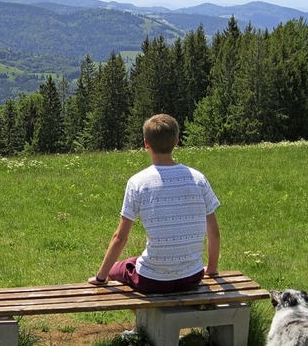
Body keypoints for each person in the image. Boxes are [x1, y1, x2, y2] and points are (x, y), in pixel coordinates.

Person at [88, 113, 221, 294]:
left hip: (152, 281)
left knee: (116, 270)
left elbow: (120, 237)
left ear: (146, 143)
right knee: (135, 261)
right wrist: (211, 269)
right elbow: (213, 232)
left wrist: (100, 277)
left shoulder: (138, 182)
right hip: (192, 278)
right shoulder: (199, 179)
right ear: (177, 142)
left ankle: (145, 320)